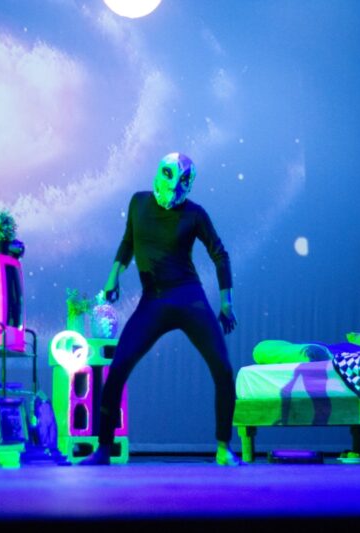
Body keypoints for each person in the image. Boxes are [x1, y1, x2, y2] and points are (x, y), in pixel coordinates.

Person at [79, 152, 244, 466]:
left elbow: (219, 254)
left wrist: (226, 303)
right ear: (159, 175)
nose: (174, 189)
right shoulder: (138, 202)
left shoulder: (194, 214)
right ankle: (103, 449)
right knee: (118, 368)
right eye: (169, 179)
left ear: (188, 186)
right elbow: (128, 242)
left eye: (182, 183)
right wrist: (113, 277)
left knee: (222, 369)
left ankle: (224, 449)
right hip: (153, 301)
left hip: (189, 298)